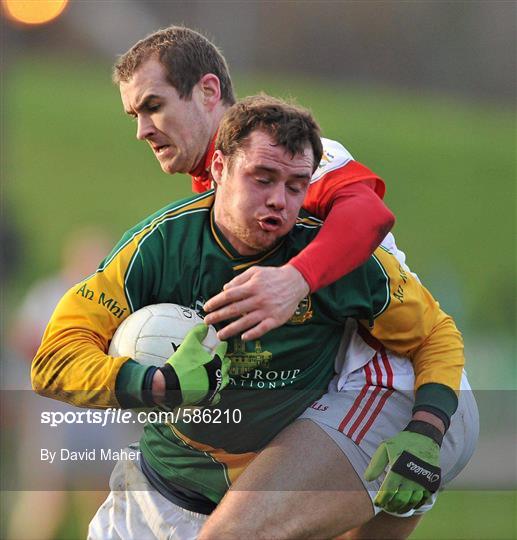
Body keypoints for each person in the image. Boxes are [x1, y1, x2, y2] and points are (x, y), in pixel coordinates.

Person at [32, 96, 478, 539]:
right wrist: (155, 384)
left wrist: (426, 429)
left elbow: (435, 333)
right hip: (153, 493)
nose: (279, 202)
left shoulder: (333, 260)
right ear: (220, 168)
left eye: (295, 185)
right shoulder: (160, 247)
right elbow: (53, 361)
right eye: (262, 179)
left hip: (256, 503)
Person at [112, 25, 395, 342]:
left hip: (385, 365)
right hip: (326, 374)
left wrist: (296, 279)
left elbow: (370, 212)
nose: (142, 130)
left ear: (208, 91)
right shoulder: (215, 186)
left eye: (153, 106)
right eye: (134, 115)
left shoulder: (286, 153)